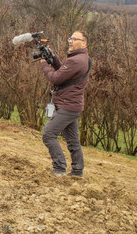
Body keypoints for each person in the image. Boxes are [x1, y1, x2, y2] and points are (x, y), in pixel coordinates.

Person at [39, 31, 91, 177]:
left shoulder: (76, 60)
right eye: (70, 38)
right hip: (73, 105)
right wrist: (53, 57)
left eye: (75, 39)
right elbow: (64, 72)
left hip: (67, 106)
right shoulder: (81, 58)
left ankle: (59, 168)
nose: (71, 41)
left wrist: (44, 64)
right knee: (73, 142)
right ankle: (77, 171)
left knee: (48, 135)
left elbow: (56, 78)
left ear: (84, 43)